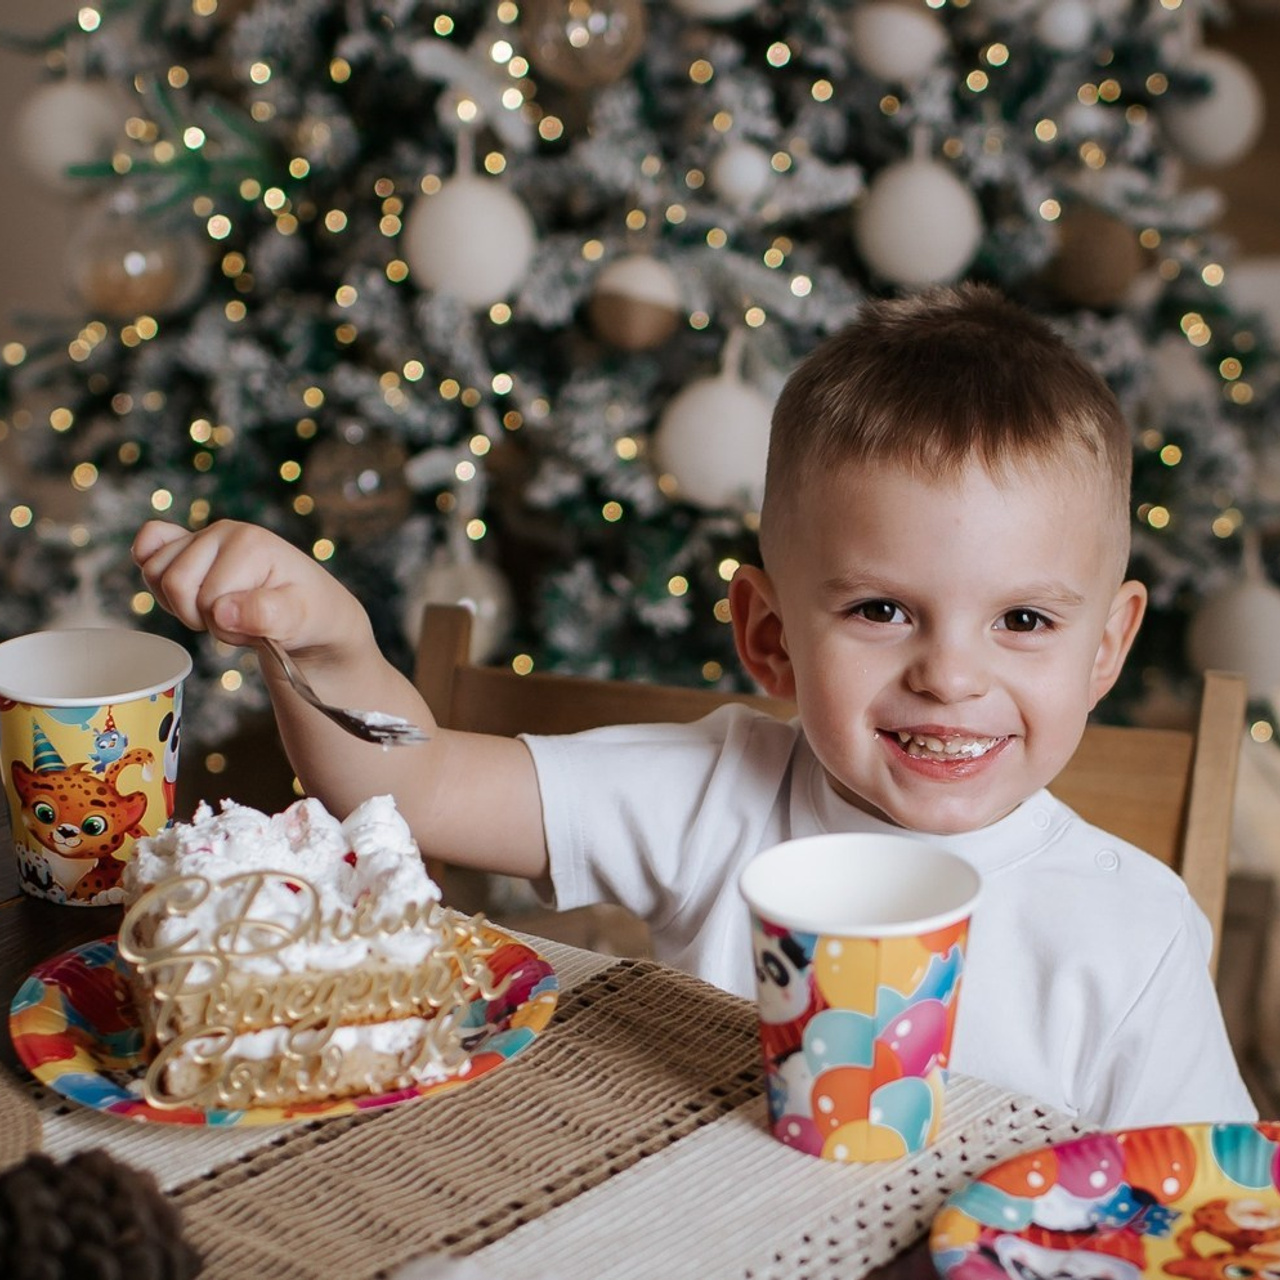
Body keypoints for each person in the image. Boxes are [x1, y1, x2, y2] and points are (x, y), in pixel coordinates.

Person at [132, 283, 1254, 1128]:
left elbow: (1198, 1208)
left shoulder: (1133, 932)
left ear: (1105, 646)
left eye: (1022, 620)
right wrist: (326, 640)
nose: (949, 675)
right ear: (768, 635)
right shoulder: (714, 793)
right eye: (879, 609)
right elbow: (410, 786)